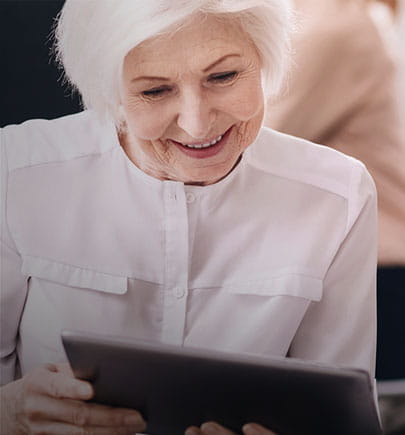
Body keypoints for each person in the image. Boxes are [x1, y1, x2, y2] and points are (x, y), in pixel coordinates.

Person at [0, 1, 378, 434]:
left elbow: (340, 419)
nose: (197, 124)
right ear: (109, 92)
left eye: (223, 76)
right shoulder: (14, 173)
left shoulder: (339, 196)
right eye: (154, 91)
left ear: (264, 62)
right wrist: (10, 413)